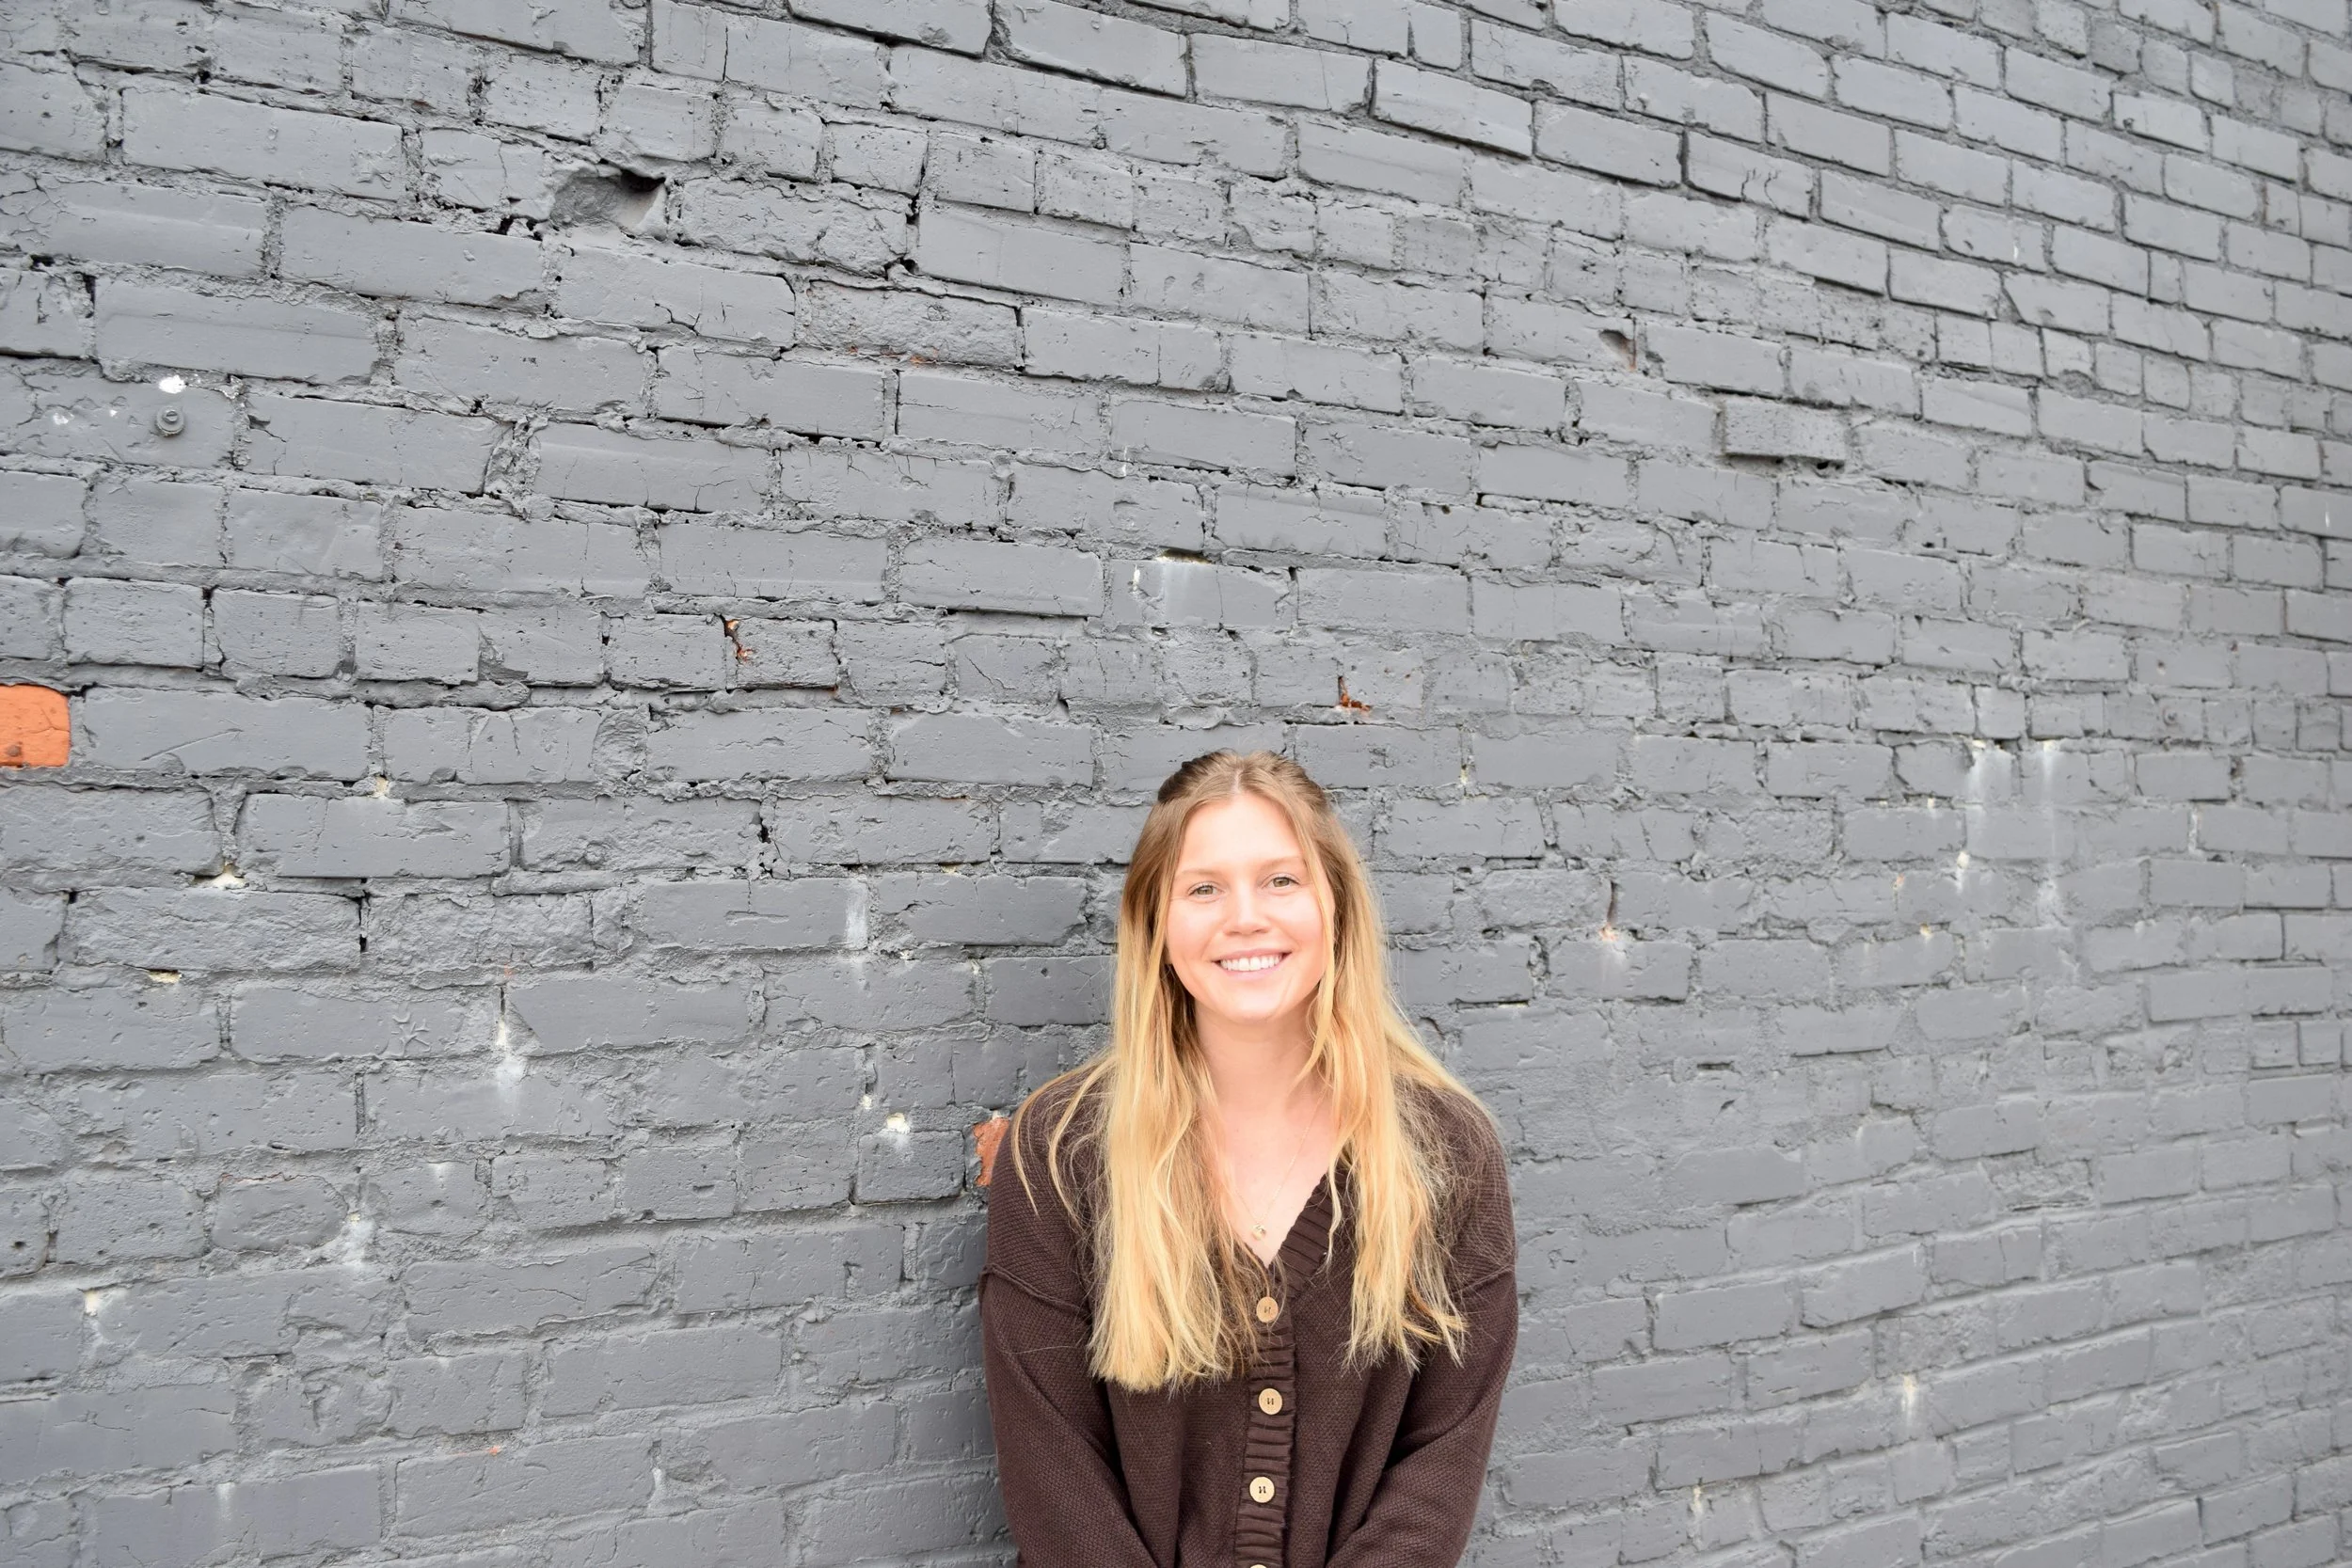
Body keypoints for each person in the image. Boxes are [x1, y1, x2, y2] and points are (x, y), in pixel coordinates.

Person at [979, 750, 1518, 1568]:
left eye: (1281, 880)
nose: (1245, 917)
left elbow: (1441, 1454)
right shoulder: (1060, 1154)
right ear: (1155, 924)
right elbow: (1056, 1478)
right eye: (1203, 888)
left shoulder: (1444, 1152)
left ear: (1334, 904)